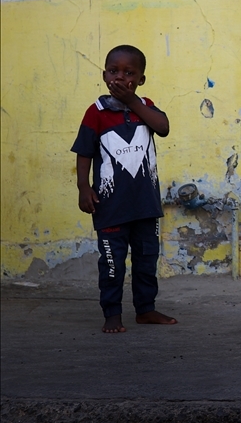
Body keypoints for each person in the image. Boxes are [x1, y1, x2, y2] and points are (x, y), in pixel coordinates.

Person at [71, 45, 177, 333]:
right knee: (112, 264)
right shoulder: (96, 112)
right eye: (114, 71)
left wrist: (133, 102)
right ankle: (112, 314)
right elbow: (83, 152)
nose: (120, 77)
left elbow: (163, 127)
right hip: (110, 206)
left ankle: (145, 309)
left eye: (129, 73)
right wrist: (83, 187)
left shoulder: (145, 107)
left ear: (141, 79)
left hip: (145, 206)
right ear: (104, 75)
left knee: (146, 260)